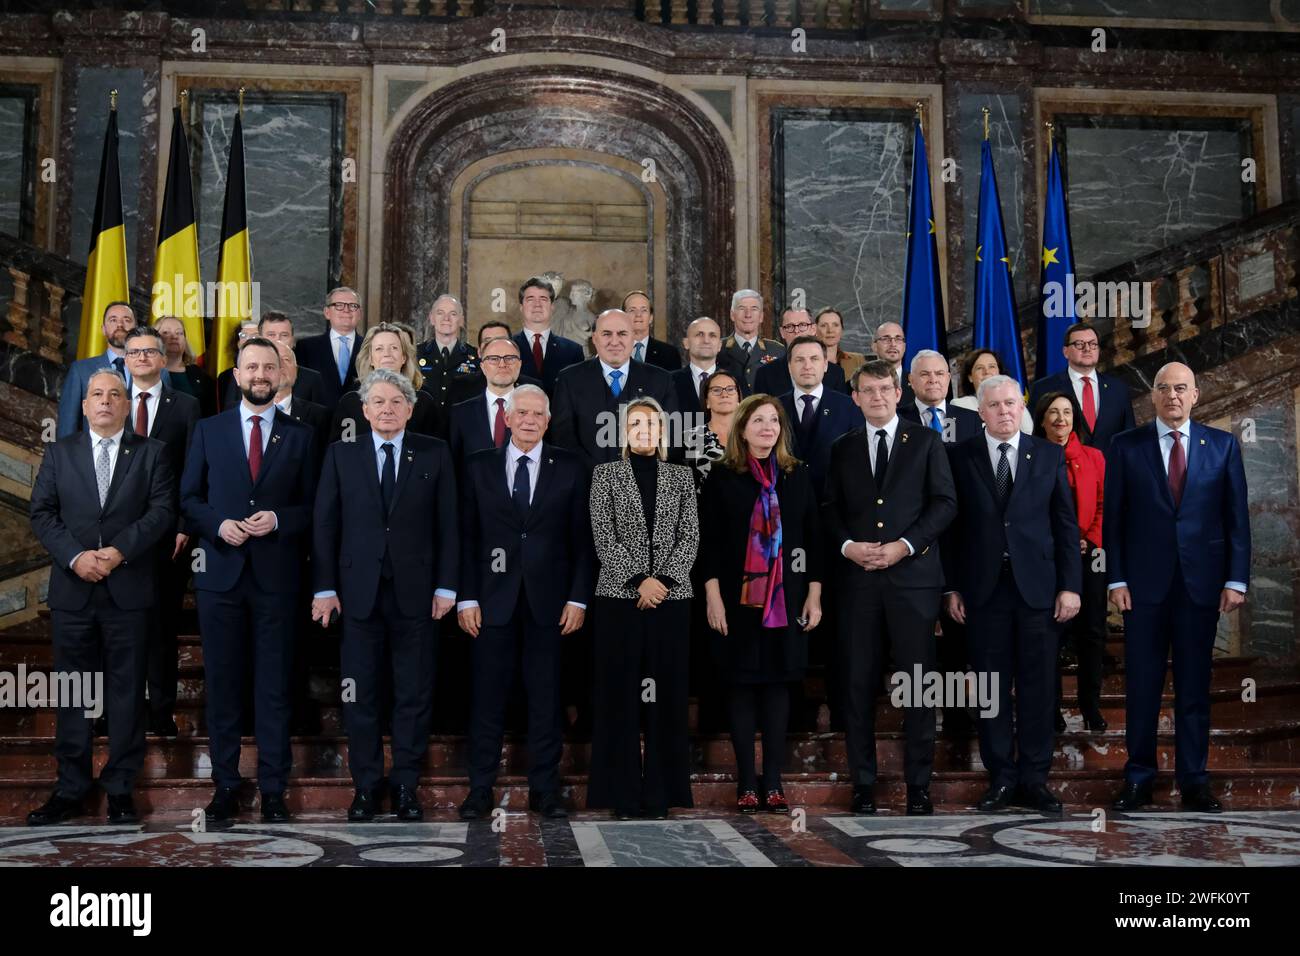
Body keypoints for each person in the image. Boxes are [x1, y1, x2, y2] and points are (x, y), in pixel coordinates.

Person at [28, 367, 176, 825]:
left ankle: (119, 788)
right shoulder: (59, 453)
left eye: (116, 394)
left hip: (127, 589)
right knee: (74, 693)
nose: (107, 401)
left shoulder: (152, 453)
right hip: (74, 591)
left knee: (127, 693)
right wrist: (76, 557)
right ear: (85, 404)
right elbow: (42, 513)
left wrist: (117, 552)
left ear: (128, 404)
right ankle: (70, 788)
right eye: (98, 394)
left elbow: (162, 512)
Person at [181, 336, 317, 823]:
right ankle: (225, 786)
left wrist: (279, 520)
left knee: (274, 687)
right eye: (251, 367)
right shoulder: (208, 431)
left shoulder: (300, 436)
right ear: (235, 375)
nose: (260, 375)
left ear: (280, 375)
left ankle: (275, 789)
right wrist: (218, 524)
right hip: (220, 577)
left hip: (277, 580)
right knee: (223, 685)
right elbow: (189, 499)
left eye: (268, 367)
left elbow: (313, 509)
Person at [311, 369, 458, 822]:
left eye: (396, 401)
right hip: (358, 597)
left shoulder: (435, 452)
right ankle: (366, 788)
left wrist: (447, 585)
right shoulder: (341, 454)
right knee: (360, 696)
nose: (387, 409)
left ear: (410, 409)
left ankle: (406, 786)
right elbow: (325, 525)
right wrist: (325, 587)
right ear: (364, 409)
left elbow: (449, 524)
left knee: (413, 695)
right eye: (378, 402)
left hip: (418, 596)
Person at [1107, 362, 1250, 814]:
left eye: (1181, 388)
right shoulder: (1125, 446)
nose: (1172, 396)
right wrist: (1116, 577)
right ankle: (1138, 779)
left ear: (1196, 395)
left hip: (1201, 587)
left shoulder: (1223, 445)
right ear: (1153, 397)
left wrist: (1236, 578)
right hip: (1143, 589)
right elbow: (1114, 520)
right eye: (1164, 388)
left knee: (1193, 689)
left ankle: (1194, 781)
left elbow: (1236, 520)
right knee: (1143, 688)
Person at [943, 374, 1081, 815]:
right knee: (992, 689)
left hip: (1039, 591)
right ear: (979, 412)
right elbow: (952, 531)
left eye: (1011, 404)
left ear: (1021, 409)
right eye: (995, 405)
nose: (1005, 411)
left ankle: (1035, 779)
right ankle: (1001, 777)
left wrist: (1070, 586)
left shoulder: (1048, 454)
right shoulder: (958, 456)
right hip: (983, 592)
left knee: (1040, 689)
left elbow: (1065, 526)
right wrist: (952, 586)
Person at [824, 360, 957, 815]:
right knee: (858, 685)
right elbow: (829, 508)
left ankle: (918, 786)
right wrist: (847, 547)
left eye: (885, 388)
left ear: (898, 393)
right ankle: (863, 784)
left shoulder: (926, 441)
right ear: (855, 397)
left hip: (913, 582)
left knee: (918, 685)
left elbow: (945, 503)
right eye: (868, 390)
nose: (877, 396)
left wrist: (905, 545)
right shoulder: (841, 448)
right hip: (859, 584)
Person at [457, 385, 594, 820]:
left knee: (546, 699)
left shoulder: (571, 466)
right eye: (523, 413)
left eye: (539, 414)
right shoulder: (479, 466)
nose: (531, 420)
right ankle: (479, 789)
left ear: (548, 421)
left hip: (550, 605)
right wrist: (467, 597)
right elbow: (466, 538)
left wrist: (578, 597)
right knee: (486, 699)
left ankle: (545, 790)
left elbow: (583, 541)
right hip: (490, 603)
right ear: (508, 419)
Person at [699, 395, 823, 813]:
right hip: (737, 600)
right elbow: (710, 543)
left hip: (785, 599)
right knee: (741, 686)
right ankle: (747, 783)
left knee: (776, 686)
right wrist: (713, 597)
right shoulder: (722, 476)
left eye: (773, 420)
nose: (767, 427)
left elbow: (812, 537)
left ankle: (773, 783)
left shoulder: (797, 475)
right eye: (758, 420)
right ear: (742, 427)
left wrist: (815, 593)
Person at [587, 397, 699, 819]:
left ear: (662, 431)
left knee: (665, 698)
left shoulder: (681, 476)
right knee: (619, 697)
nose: (644, 431)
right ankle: (623, 794)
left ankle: (660, 793)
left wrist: (663, 582)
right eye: (635, 424)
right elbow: (604, 537)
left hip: (671, 601)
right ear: (623, 431)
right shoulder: (605, 475)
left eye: (651, 424)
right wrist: (639, 581)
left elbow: (689, 536)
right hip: (620, 599)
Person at [123, 326, 199, 737]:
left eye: (149, 351)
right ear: (125, 359)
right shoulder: (110, 401)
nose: (142, 358)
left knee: (162, 628)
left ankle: (162, 711)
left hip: (168, 536)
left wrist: (185, 525)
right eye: (134, 352)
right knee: (117, 628)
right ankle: (114, 711)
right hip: (116, 538)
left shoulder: (185, 406)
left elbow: (193, 469)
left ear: (162, 356)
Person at [1033, 391, 1107, 734]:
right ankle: (1052, 710)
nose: (1061, 419)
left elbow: (1105, 503)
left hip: (1090, 555)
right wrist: (1060, 543)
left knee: (1092, 632)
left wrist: (1087, 539)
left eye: (1066, 412)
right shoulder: (1032, 455)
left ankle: (1090, 706)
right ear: (1042, 419)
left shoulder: (1094, 457)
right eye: (1053, 412)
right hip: (1048, 557)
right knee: (1052, 635)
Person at [550, 308, 679, 472]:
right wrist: (600, 476)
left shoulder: (661, 380)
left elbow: (670, 436)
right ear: (595, 338)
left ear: (633, 338)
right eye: (606, 334)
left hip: (644, 484)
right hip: (586, 485)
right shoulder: (569, 379)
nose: (614, 341)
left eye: (622, 334)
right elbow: (563, 438)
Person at [1028, 322, 1135, 456]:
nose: (1087, 349)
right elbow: (1035, 438)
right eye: (1079, 344)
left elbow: (1130, 437)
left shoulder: (1118, 388)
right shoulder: (1043, 388)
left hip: (1112, 472)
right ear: (1065, 352)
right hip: (1063, 471)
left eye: (1093, 344)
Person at [329, 323, 443, 441]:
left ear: (404, 357)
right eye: (379, 349)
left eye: (394, 348)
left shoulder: (424, 403)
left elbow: (435, 452)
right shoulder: (350, 403)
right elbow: (341, 453)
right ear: (371, 358)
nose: (387, 354)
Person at [776, 336, 858, 497]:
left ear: (825, 365)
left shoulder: (849, 407)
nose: (807, 366)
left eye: (814, 359)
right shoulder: (774, 407)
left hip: (832, 504)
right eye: (799, 360)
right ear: (789, 366)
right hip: (785, 502)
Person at [57, 301, 141, 437]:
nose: (120, 325)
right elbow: (67, 426)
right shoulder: (80, 371)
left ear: (136, 329)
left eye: (127, 320)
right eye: (113, 320)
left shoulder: (154, 372)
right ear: (103, 329)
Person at [219, 312, 326, 409]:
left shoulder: (312, 379)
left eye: (284, 335)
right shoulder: (244, 376)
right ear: (260, 338)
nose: (277, 340)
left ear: (293, 340)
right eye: (271, 335)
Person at [448, 335, 524, 464]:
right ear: (482, 367)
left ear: (520, 364)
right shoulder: (460, 413)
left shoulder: (535, 411)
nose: (502, 364)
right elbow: (453, 464)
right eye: (494, 359)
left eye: (509, 358)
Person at [513, 276, 585, 395]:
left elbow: (578, 395)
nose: (537, 304)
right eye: (530, 299)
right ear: (521, 307)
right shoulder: (507, 347)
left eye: (543, 299)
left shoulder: (573, 351)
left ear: (552, 306)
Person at [294, 286, 362, 410]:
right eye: (339, 305)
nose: (346, 310)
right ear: (327, 312)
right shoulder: (306, 348)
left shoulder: (371, 347)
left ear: (360, 313)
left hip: (360, 421)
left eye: (353, 306)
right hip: (318, 423)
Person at [447, 320, 544, 406]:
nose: (496, 346)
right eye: (488, 341)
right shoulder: (461, 387)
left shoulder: (533, 388)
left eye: (501, 339)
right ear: (479, 352)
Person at [753, 308, 846, 396]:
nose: (796, 331)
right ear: (782, 332)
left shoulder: (836, 373)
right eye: (790, 326)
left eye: (802, 325)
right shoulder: (765, 374)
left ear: (813, 329)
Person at [899, 349, 982, 443]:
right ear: (911, 380)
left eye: (939, 374)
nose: (933, 380)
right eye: (925, 374)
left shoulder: (972, 419)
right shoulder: (897, 419)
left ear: (948, 379)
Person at [669, 316, 743, 419]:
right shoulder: (669, 381)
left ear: (719, 345)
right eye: (700, 334)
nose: (706, 340)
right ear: (686, 343)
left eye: (712, 335)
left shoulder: (737, 381)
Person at [270, 341, 330, 463]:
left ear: (296, 371)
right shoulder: (246, 413)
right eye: (274, 360)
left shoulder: (320, 416)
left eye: (286, 360)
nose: (281, 366)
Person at [416, 294, 477, 411]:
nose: (446, 318)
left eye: (453, 314)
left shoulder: (474, 356)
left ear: (461, 320)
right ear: (432, 319)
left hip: (461, 424)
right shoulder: (416, 354)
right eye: (440, 313)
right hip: (425, 425)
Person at [718, 289, 784, 391]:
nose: (748, 315)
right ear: (732, 315)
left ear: (761, 316)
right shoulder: (718, 348)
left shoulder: (777, 350)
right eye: (741, 308)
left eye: (754, 309)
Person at [953, 348, 1032, 433]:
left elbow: (1028, 431)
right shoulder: (959, 405)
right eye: (979, 368)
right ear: (970, 377)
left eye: (992, 366)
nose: (986, 372)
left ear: (999, 372)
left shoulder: (1014, 399)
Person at [685, 369, 740, 488]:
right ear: (707, 402)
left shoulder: (751, 436)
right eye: (716, 390)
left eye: (730, 389)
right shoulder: (689, 438)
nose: (724, 394)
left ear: (738, 400)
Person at [155, 314, 217, 417]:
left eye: (179, 333)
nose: (174, 337)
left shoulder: (201, 376)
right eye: (166, 332)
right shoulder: (146, 372)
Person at [622, 290, 683, 370]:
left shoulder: (669, 353)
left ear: (651, 318)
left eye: (644, 310)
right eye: (632, 310)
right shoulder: (613, 350)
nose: (638, 315)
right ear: (623, 317)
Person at [214, 321, 260, 413]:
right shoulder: (224, 377)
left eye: (255, 336)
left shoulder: (270, 373)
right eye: (243, 335)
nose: (249, 339)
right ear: (238, 343)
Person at [816, 306, 866, 386]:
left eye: (835, 325)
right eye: (824, 325)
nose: (830, 330)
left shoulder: (857, 360)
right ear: (815, 330)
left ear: (841, 330)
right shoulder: (808, 362)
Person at [870, 321, 914, 406]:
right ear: (874, 346)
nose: (893, 344)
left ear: (904, 347)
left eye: (898, 339)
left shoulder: (918, 383)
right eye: (886, 339)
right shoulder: (857, 383)